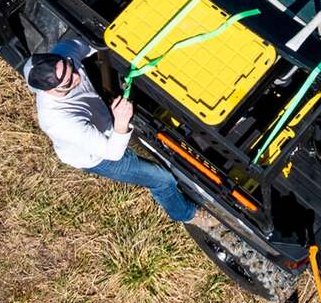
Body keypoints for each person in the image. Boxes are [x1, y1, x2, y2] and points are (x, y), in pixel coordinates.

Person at [25, 36, 219, 230]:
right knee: (160, 178)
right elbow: (112, 153)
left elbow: (94, 42)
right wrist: (120, 122)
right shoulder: (59, 121)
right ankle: (187, 215)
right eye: (68, 82)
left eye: (72, 67)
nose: (76, 75)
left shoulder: (64, 56)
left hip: (107, 120)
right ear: (50, 90)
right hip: (99, 155)